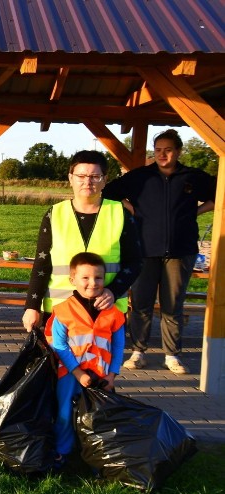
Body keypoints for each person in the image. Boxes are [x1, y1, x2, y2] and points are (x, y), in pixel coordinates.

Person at [102, 129, 216, 375]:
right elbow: (110, 193)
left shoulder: (193, 177)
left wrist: (195, 213)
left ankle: (172, 355)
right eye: (158, 150)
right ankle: (138, 352)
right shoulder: (140, 177)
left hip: (180, 250)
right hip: (143, 249)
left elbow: (219, 195)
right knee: (141, 303)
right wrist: (132, 209)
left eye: (168, 150)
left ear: (178, 151)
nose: (162, 154)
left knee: (172, 305)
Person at [22, 150, 142, 334]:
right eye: (81, 176)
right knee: (60, 363)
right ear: (71, 178)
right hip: (60, 313)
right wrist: (32, 306)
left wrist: (113, 291)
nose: (88, 182)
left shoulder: (120, 214)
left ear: (104, 179)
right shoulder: (54, 214)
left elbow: (135, 261)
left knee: (102, 363)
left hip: (106, 313)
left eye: (95, 176)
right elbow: (41, 265)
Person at [46, 252, 125, 469]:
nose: (92, 283)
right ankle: (62, 453)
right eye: (85, 278)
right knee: (64, 414)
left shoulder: (115, 313)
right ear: (73, 279)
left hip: (101, 376)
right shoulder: (63, 311)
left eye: (98, 278)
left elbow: (118, 346)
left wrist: (112, 375)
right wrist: (77, 373)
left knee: (99, 417)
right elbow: (59, 345)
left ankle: (97, 458)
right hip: (70, 375)